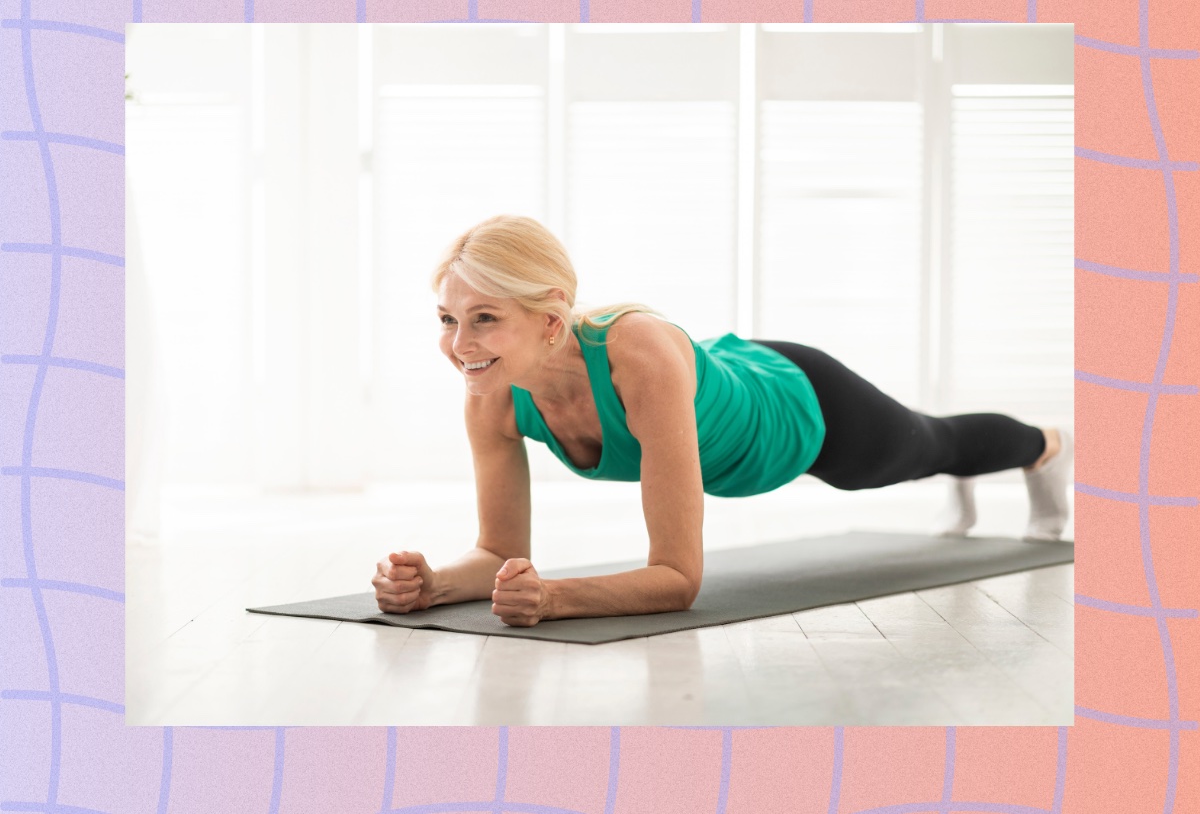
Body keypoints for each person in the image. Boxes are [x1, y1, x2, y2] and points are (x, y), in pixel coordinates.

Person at [372, 215, 1073, 627]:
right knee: (935, 450)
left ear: (552, 319)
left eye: (484, 319)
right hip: (722, 377)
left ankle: (1046, 448)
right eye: (447, 319)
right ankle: (987, 466)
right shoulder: (489, 389)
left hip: (799, 407)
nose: (458, 344)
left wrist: (553, 596)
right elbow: (496, 551)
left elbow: (677, 578)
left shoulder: (636, 354)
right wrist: (434, 584)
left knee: (931, 445)